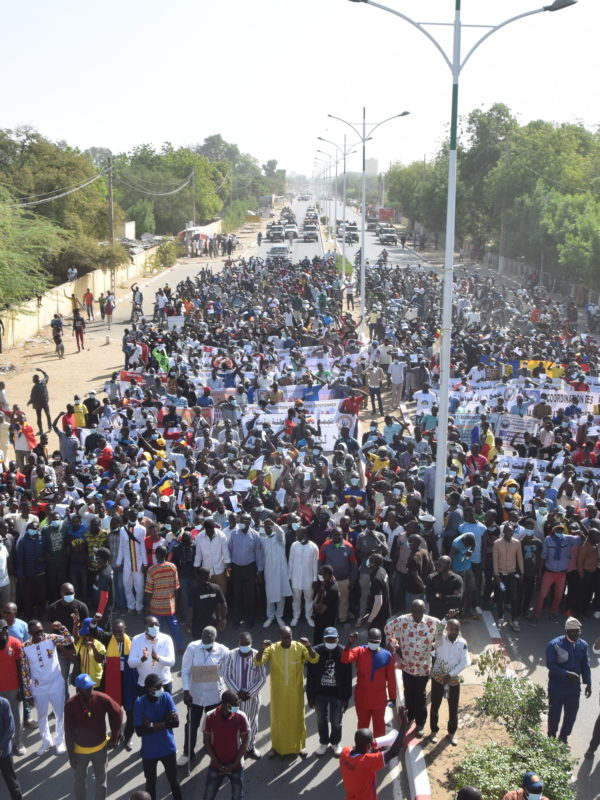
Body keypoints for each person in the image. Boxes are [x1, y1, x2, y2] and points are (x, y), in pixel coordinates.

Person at [385, 600, 452, 738]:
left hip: (423, 667)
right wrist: (396, 648)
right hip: (407, 665)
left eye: (420, 611)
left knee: (420, 694)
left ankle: (420, 723)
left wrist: (434, 646)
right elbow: (387, 629)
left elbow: (442, 634)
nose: (417, 614)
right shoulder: (403, 620)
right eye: (414, 611)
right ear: (411, 610)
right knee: (408, 692)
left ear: (424, 611)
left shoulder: (432, 622)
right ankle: (409, 717)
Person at [254, 626, 318, 757]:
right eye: (285, 637)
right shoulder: (272, 648)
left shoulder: (299, 647)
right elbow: (257, 662)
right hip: (278, 694)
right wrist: (262, 648)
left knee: (298, 719)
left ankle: (300, 746)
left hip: (296, 693)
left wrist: (309, 645)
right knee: (278, 720)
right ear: (279, 637)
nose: (288, 639)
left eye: (290, 636)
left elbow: (314, 659)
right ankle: (276, 747)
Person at [64, 673, 122, 800]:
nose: (90, 690)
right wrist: (71, 755)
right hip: (80, 751)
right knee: (79, 781)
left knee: (101, 782)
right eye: (86, 688)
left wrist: (115, 735)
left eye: (91, 686)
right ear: (78, 689)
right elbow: (68, 732)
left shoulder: (101, 698)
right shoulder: (70, 704)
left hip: (100, 750)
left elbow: (118, 711)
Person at [20, 618, 75, 754]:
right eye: (36, 632)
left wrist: (62, 628)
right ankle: (46, 742)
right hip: (39, 688)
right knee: (42, 716)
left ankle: (60, 741)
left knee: (59, 714)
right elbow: (25, 671)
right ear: (30, 633)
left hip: (56, 684)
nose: (40, 634)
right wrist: (28, 693)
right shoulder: (25, 647)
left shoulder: (51, 638)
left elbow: (69, 640)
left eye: (41, 630)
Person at [179, 625, 230, 767]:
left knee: (214, 725)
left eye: (209, 637)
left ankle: (213, 749)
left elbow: (227, 672)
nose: (205, 640)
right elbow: (185, 671)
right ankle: (187, 752)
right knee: (191, 724)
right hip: (195, 696)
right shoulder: (192, 648)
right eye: (203, 637)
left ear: (215, 638)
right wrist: (186, 691)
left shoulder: (223, 651)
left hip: (214, 696)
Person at [133, 673, 182, 800]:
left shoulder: (166, 696)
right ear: (148, 689)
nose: (161, 688)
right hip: (149, 752)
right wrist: (164, 721)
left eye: (161, 685)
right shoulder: (139, 703)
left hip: (168, 748)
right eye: (157, 687)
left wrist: (152, 725)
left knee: (174, 782)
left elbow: (175, 722)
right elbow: (140, 731)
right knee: (150, 784)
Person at [341, 628, 396, 737]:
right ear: (367, 639)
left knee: (379, 726)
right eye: (371, 641)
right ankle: (362, 748)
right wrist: (349, 644)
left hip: (379, 700)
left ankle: (377, 749)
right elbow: (345, 659)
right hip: (362, 699)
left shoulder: (387, 655)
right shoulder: (359, 651)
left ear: (380, 640)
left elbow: (391, 679)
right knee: (362, 726)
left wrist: (393, 697)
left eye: (376, 642)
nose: (374, 644)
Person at [306, 627, 352, 756]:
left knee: (336, 722)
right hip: (320, 694)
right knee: (321, 720)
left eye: (333, 639)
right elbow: (310, 676)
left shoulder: (344, 651)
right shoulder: (315, 651)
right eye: (328, 639)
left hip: (337, 695)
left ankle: (335, 743)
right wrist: (310, 696)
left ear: (338, 638)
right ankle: (324, 743)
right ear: (323, 639)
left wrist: (346, 698)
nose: (331, 641)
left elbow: (348, 677)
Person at [545, 616, 592, 743]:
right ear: (566, 631)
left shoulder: (583, 645)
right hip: (557, 687)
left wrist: (588, 683)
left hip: (573, 688)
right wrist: (566, 673)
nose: (577, 633)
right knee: (554, 714)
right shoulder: (555, 644)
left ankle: (564, 736)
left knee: (571, 715)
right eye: (574, 631)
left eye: (579, 631)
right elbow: (550, 664)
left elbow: (585, 665)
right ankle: (551, 736)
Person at [223, 631, 267, 759]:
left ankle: (250, 747)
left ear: (251, 642)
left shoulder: (257, 655)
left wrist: (250, 693)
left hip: (252, 698)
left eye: (247, 643)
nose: (245, 645)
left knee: (252, 723)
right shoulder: (231, 655)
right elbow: (226, 676)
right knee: (234, 723)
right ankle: (236, 749)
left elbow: (262, 678)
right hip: (234, 699)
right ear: (238, 643)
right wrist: (237, 692)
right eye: (242, 643)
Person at [428, 618, 470, 745]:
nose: (454, 631)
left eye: (456, 629)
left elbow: (465, 662)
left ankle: (451, 733)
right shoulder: (440, 640)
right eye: (451, 628)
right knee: (435, 706)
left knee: (453, 709)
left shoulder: (462, 643)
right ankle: (433, 731)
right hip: (437, 678)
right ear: (447, 629)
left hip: (453, 681)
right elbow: (437, 631)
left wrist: (451, 675)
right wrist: (445, 618)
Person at [202, 690, 249, 800]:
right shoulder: (209, 716)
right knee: (208, 796)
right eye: (235, 705)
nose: (237, 708)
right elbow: (206, 742)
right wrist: (218, 764)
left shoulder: (241, 716)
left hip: (236, 766)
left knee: (237, 796)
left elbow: (245, 742)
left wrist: (234, 764)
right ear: (226, 704)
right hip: (216, 765)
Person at [339, 723, 406, 800]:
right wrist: (404, 725)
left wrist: (371, 743)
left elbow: (356, 747)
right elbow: (394, 752)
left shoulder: (344, 752)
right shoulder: (367, 761)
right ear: (368, 746)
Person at [101, 619, 138, 750]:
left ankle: (128, 737)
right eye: (114, 632)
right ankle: (116, 735)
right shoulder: (107, 640)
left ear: (125, 629)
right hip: (112, 680)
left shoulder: (134, 642)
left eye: (120, 632)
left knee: (131, 712)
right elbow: (93, 631)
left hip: (129, 681)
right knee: (113, 711)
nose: (117, 635)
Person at [144, 545, 183, 653]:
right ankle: (180, 646)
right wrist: (177, 603)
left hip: (156, 606)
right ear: (166, 554)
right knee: (174, 626)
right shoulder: (172, 567)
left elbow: (148, 590)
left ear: (156, 555)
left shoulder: (151, 570)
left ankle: (157, 649)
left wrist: (147, 605)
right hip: (170, 605)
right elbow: (177, 588)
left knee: (156, 628)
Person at [128, 617, 176, 696]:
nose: (154, 627)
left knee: (165, 708)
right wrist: (142, 659)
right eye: (151, 625)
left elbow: (172, 662)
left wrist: (158, 658)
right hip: (144, 685)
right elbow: (130, 663)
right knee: (145, 708)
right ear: (145, 627)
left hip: (163, 684)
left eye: (156, 625)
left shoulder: (166, 639)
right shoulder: (136, 640)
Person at [260, 518, 292, 627]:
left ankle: (279, 616)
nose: (268, 529)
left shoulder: (279, 538)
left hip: (280, 571)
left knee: (281, 594)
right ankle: (270, 616)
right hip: (269, 571)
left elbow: (281, 532)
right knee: (269, 595)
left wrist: (274, 524)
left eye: (270, 527)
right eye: (266, 527)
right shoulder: (262, 539)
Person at [0, 619, 24, 756]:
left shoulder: (15, 643)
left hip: (14, 688)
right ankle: (4, 743)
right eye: (1, 629)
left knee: (17, 717)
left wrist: (22, 689)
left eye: (5, 629)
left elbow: (21, 667)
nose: (3, 632)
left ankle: (18, 743)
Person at [288, 523, 319, 627]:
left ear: (304, 534)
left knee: (308, 598)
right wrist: (289, 576)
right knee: (296, 599)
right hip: (296, 578)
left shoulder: (313, 547)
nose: (296, 535)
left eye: (298, 533)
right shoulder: (294, 545)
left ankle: (308, 617)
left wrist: (315, 579)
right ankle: (295, 616)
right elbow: (290, 561)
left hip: (308, 578)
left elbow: (315, 564)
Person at [116, 511, 147, 614]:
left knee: (139, 587)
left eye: (135, 515)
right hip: (127, 563)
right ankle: (130, 605)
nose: (133, 516)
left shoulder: (142, 529)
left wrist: (145, 563)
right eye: (131, 515)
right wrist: (118, 563)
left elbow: (143, 547)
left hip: (138, 562)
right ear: (128, 516)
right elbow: (121, 547)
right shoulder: (122, 529)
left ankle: (139, 607)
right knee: (127, 585)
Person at [0, 696, 22, 800]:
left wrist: (0, 748)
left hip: (4, 753)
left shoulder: (4, 703)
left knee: (12, 784)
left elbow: (10, 728)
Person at [313, 565, 340, 644]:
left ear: (328, 575)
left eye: (322, 574)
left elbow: (321, 610)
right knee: (317, 638)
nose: (320, 576)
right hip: (319, 619)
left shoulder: (332, 589)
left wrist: (314, 605)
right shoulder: (323, 584)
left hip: (327, 620)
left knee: (327, 640)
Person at [26, 369, 51, 435]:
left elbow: (32, 398)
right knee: (48, 414)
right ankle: (50, 427)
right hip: (45, 402)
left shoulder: (35, 388)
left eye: (33, 379)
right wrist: (41, 370)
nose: (32, 380)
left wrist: (29, 402)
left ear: (35, 380)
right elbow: (47, 376)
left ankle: (41, 430)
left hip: (38, 405)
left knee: (39, 417)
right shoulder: (43, 382)